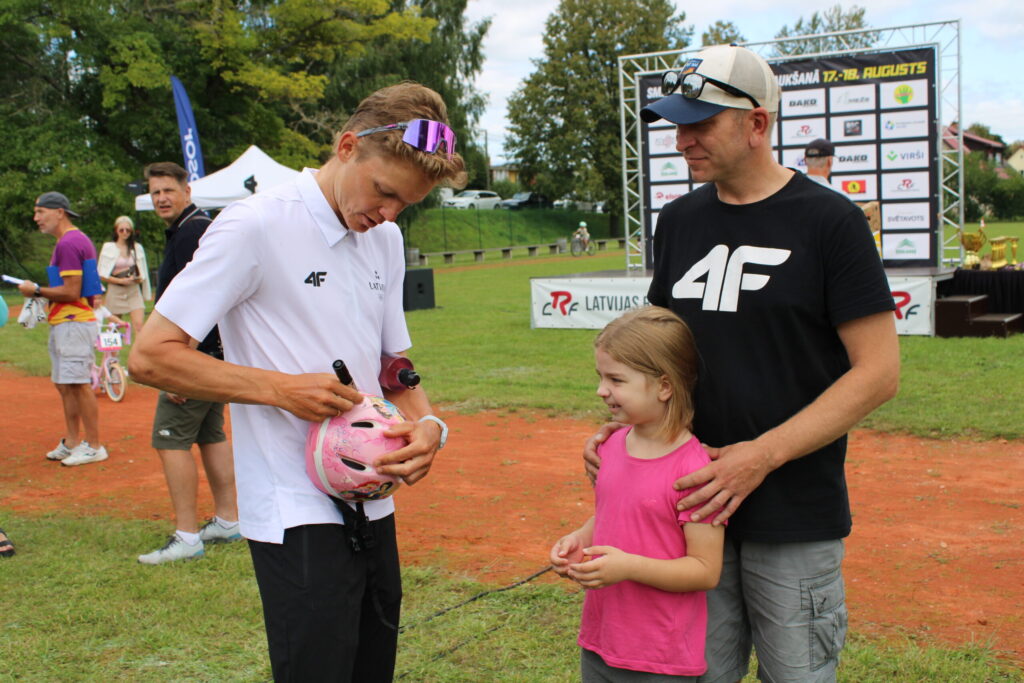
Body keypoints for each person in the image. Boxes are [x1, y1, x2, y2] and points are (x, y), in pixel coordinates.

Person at [129, 82, 467, 681]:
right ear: (346, 147)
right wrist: (279, 389)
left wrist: (430, 424)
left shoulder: (385, 238)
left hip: (371, 494)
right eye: (384, 191)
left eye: (406, 204)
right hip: (293, 508)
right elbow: (151, 356)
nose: (389, 214)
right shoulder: (255, 224)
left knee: (372, 669)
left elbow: (393, 363)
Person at [585, 44, 899, 682]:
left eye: (700, 124)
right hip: (688, 509)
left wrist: (762, 455)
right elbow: (659, 354)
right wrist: (625, 427)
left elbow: (878, 373)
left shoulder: (831, 222)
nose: (683, 141)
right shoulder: (678, 221)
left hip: (792, 511)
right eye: (677, 125)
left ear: (756, 124)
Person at [551, 306, 725, 681]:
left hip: (660, 656)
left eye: (616, 379)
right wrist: (580, 539)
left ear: (664, 387)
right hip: (601, 641)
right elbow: (617, 513)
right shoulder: (612, 445)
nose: (601, 391)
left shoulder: (694, 470)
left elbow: (705, 570)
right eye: (600, 377)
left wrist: (628, 567)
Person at [136, 162, 239, 565]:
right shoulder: (195, 227)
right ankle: (228, 520)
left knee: (170, 440)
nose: (162, 198)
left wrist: (178, 366)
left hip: (192, 356)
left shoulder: (191, 232)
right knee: (211, 434)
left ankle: (187, 536)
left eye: (168, 190)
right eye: (155, 192)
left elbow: (202, 300)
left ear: (187, 191)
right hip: (212, 354)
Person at [17, 192, 108, 466]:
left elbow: (71, 291)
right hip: (66, 322)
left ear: (59, 212)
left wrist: (36, 290)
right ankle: (71, 442)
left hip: (73, 322)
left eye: (40, 211)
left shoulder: (69, 243)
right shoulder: (69, 241)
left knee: (78, 384)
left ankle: (94, 445)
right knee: (65, 384)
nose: (36, 218)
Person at [97, 215, 151, 337]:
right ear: (116, 230)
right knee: (113, 327)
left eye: (128, 230)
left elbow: (143, 273)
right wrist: (120, 281)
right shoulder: (109, 247)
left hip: (133, 290)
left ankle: (139, 349)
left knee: (139, 326)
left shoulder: (137, 248)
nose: (125, 232)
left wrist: (136, 279)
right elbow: (102, 274)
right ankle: (111, 349)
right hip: (115, 290)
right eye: (121, 230)